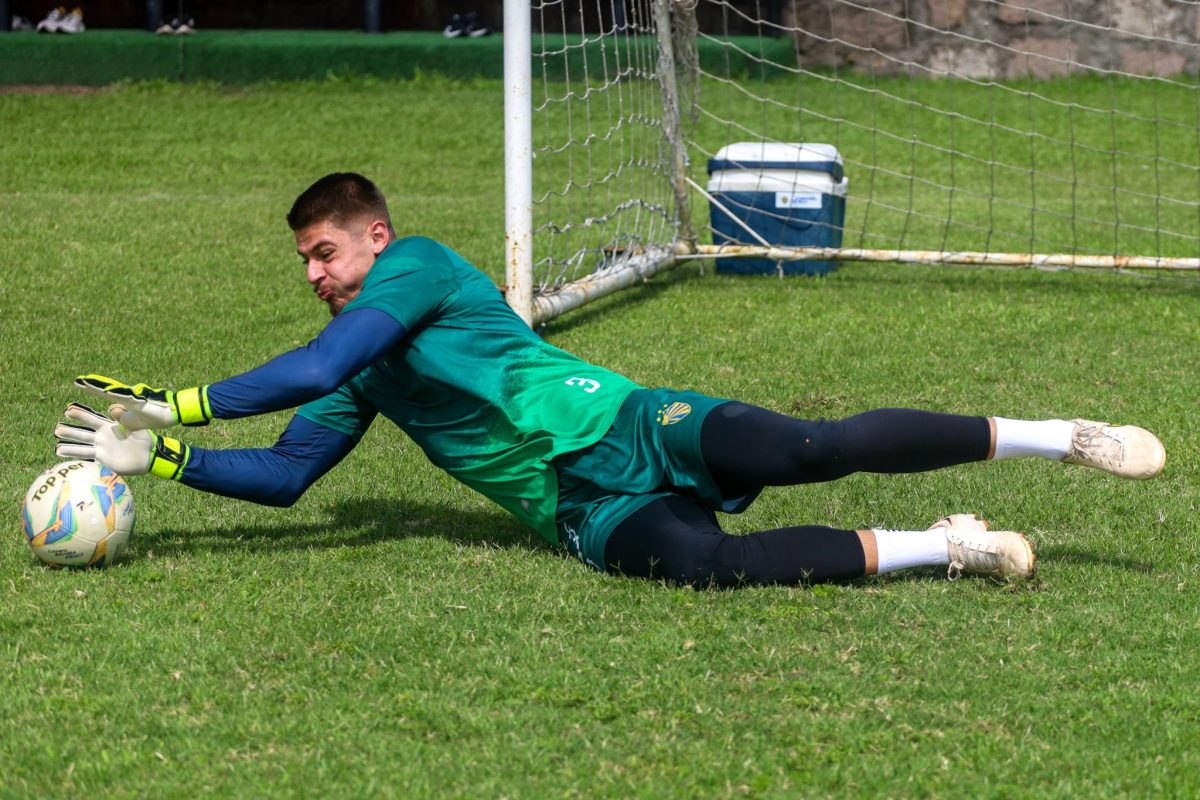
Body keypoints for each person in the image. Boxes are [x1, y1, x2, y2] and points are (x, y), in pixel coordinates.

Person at [53, 173, 1167, 586]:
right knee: (706, 566)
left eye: (325, 254)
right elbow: (293, 472)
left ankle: (1058, 433)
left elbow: (319, 363)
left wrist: (183, 395)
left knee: (806, 450)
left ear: (376, 239)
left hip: (632, 424)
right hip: (579, 503)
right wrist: (167, 455)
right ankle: (946, 545)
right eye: (304, 261)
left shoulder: (423, 271)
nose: (314, 274)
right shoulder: (369, 372)